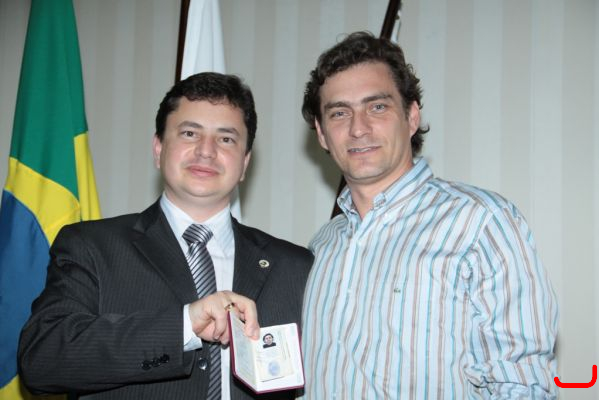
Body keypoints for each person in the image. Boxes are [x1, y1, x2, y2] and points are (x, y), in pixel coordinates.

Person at [18, 72, 313, 400]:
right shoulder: (91, 246)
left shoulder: (296, 266)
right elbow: (41, 360)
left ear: (244, 163)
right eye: (190, 133)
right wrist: (185, 325)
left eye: (226, 139)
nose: (206, 151)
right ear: (158, 148)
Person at [300, 31, 557, 399]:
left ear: (411, 116)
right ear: (323, 134)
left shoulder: (482, 223)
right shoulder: (321, 245)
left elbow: (520, 384)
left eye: (377, 107)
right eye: (339, 113)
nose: (358, 128)